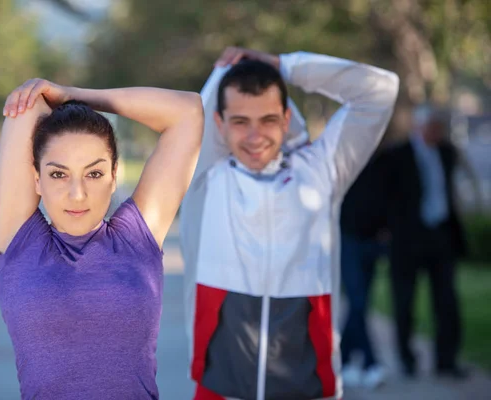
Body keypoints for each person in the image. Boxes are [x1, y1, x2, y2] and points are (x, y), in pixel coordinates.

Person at [180, 47, 399, 400]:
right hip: (221, 388)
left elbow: (381, 90)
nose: (254, 137)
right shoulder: (204, 178)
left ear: (285, 119)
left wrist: (286, 66)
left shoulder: (323, 171)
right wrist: (226, 74)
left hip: (307, 388)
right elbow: (193, 113)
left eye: (267, 120)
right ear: (219, 123)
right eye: (240, 121)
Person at [0, 79, 204, 399]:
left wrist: (74, 96)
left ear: (114, 176)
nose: (77, 195)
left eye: (94, 173)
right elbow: (26, 108)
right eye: (58, 174)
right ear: (36, 179)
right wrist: (54, 101)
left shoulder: (136, 237)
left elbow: (188, 112)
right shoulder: (20, 243)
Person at [379, 105, 469, 380]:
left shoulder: (447, 152)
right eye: (431, 127)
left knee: (446, 301)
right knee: (404, 302)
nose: (436, 132)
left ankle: (447, 360)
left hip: (440, 235)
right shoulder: (397, 155)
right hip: (407, 240)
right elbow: (383, 195)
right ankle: (406, 359)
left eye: (438, 127)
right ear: (419, 127)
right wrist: (385, 228)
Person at [338, 151, 390, 389]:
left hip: (373, 241)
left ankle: (344, 358)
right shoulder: (342, 162)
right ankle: (371, 363)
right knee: (358, 302)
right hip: (347, 242)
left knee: (360, 305)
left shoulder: (380, 162)